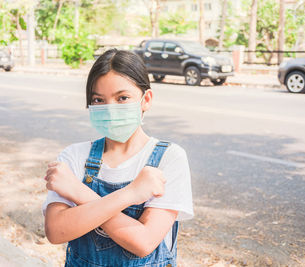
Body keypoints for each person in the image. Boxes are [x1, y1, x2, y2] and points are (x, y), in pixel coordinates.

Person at [42, 49, 193, 267]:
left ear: (145, 99)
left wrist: (79, 192)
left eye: (122, 98)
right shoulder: (74, 156)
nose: (111, 110)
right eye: (99, 99)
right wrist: (131, 193)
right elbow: (56, 231)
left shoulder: (169, 158)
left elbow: (143, 242)